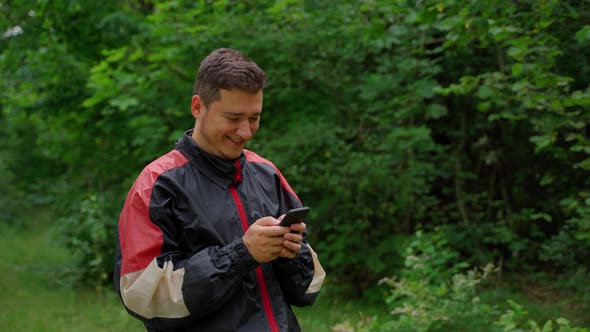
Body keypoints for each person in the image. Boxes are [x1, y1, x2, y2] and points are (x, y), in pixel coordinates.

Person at [113, 48, 325, 332]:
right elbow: (144, 297)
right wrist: (241, 254)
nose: (246, 132)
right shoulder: (158, 184)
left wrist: (291, 256)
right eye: (233, 118)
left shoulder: (267, 173)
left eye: (254, 118)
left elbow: (307, 289)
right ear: (198, 107)